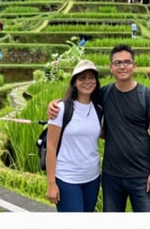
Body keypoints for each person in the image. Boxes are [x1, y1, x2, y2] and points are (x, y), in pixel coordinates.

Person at [49, 45, 150, 212]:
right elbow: (80, 99)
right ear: (111, 67)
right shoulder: (105, 94)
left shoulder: (147, 96)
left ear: (134, 65)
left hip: (142, 176)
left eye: (127, 62)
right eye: (117, 62)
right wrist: (55, 103)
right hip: (112, 176)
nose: (122, 66)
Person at [45, 60, 103, 212]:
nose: (87, 82)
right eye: (82, 78)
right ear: (74, 82)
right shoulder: (61, 109)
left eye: (91, 78)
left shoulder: (98, 109)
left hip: (93, 178)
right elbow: (51, 146)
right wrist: (51, 184)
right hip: (67, 178)